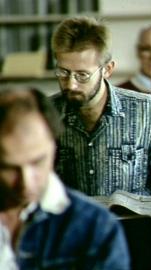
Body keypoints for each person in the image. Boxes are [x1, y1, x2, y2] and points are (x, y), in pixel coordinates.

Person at [50, 16, 151, 198]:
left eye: (82, 75)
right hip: (72, 225)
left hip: (132, 224)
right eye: (63, 72)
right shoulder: (45, 114)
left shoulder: (147, 111)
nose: (70, 85)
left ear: (107, 70)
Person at [0, 87, 130, 270]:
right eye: (9, 168)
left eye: (37, 162)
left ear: (54, 146)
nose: (26, 183)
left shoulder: (95, 227)